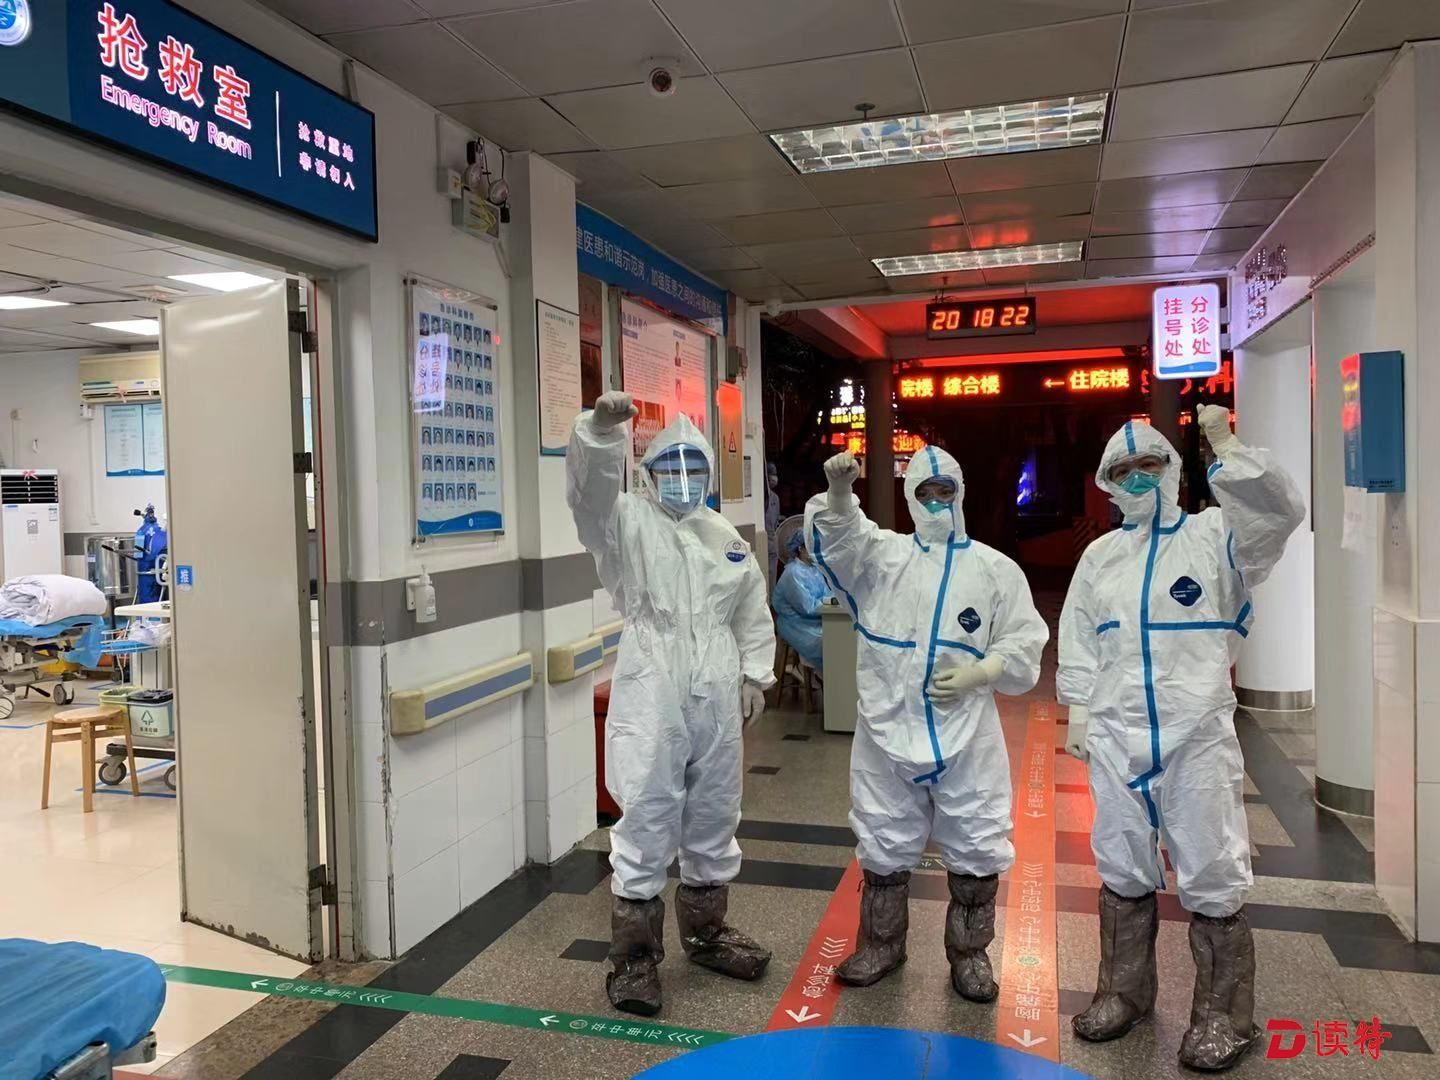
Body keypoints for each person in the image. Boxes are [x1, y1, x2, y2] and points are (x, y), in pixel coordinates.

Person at [1059, 406, 1305, 1071]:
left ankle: (1224, 1017)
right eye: (1123, 471)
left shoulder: (1216, 537)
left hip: (1195, 737)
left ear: (1171, 470)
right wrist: (1079, 711)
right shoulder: (1101, 557)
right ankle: (1124, 993)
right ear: (1107, 483)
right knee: (1120, 864)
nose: (1137, 478)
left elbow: (1277, 515)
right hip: (1117, 737)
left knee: (1212, 870)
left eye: (1149, 465)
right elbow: (1079, 638)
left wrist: (1227, 448)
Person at [806, 446, 1047, 1001]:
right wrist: (840, 498)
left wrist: (984, 670)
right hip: (885, 729)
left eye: (945, 491)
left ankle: (970, 955)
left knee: (977, 841)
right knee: (882, 839)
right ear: (910, 498)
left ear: (961, 494)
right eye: (925, 492)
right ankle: (881, 945)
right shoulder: (885, 557)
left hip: (967, 735)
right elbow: (840, 548)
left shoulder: (994, 569)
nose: (936, 502)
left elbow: (1023, 640)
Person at [567, 392, 776, 1017]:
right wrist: (600, 435)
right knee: (649, 811)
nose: (683, 479)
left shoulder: (724, 537)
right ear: (649, 473)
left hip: (715, 687)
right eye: (670, 468)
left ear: (710, 475)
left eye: (694, 468)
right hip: (652, 681)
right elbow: (587, 498)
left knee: (715, 810)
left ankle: (707, 933)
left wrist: (755, 675)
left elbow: (750, 609)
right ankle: (634, 960)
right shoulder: (626, 522)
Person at [773, 529, 830, 672]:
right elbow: (807, 607)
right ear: (800, 548)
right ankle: (805, 670)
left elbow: (827, 595)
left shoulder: (815, 569)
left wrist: (836, 601)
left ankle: (829, 677)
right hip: (796, 623)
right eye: (812, 545)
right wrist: (830, 604)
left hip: (815, 621)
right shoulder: (793, 573)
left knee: (841, 634)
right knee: (828, 642)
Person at [764, 462, 781, 588]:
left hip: (772, 542)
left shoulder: (775, 498)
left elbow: (775, 520)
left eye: (775, 474)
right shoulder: (759, 497)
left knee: (772, 577)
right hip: (763, 541)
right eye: (771, 474)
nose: (774, 478)